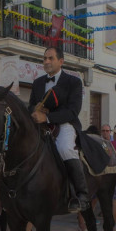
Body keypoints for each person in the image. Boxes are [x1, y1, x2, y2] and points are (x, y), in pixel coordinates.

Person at [28, 46, 89, 213]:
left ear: (61, 61)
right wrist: (35, 111)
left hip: (64, 125)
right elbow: (31, 105)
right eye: (44, 58)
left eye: (50, 58)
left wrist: (47, 117)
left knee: (65, 148)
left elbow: (73, 111)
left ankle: (81, 195)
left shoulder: (73, 82)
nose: (46, 61)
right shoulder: (38, 82)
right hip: (41, 126)